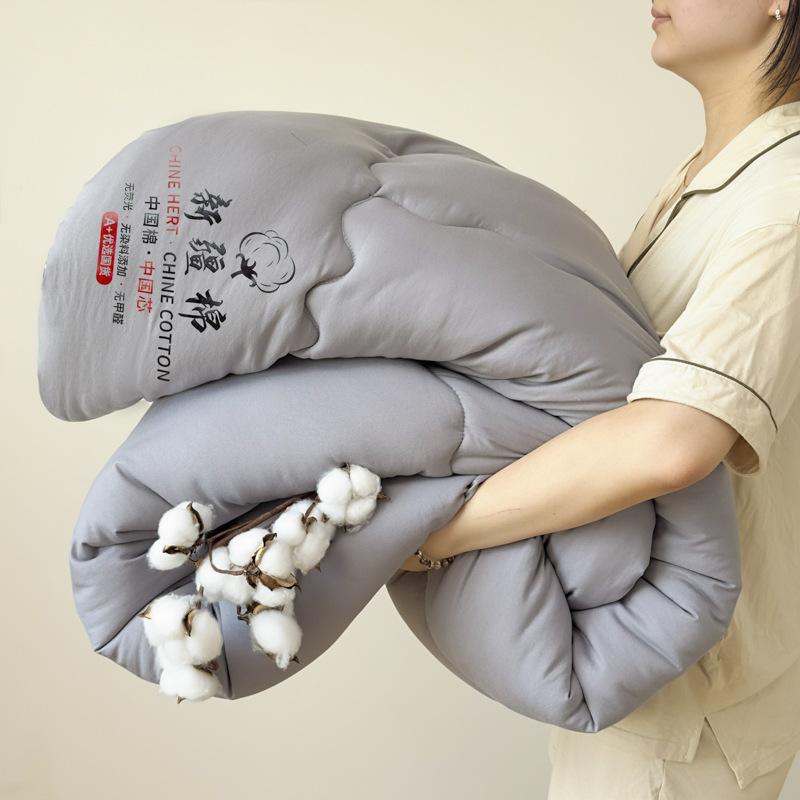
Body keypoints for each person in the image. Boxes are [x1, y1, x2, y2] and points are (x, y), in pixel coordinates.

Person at [402, 1, 800, 797]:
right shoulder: (712, 178)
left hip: (688, 711)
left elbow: (670, 440)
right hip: (644, 678)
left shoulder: (784, 197)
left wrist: (429, 534)